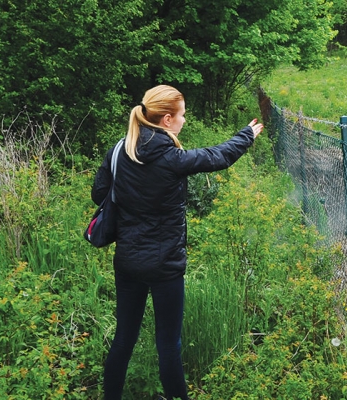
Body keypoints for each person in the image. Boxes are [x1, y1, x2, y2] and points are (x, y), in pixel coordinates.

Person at [91, 85, 263, 400]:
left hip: (127, 260)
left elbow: (99, 193)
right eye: (182, 114)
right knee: (169, 344)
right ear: (167, 119)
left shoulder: (120, 149)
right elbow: (218, 156)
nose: (184, 120)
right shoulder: (171, 158)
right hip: (165, 265)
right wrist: (246, 136)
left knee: (123, 339)